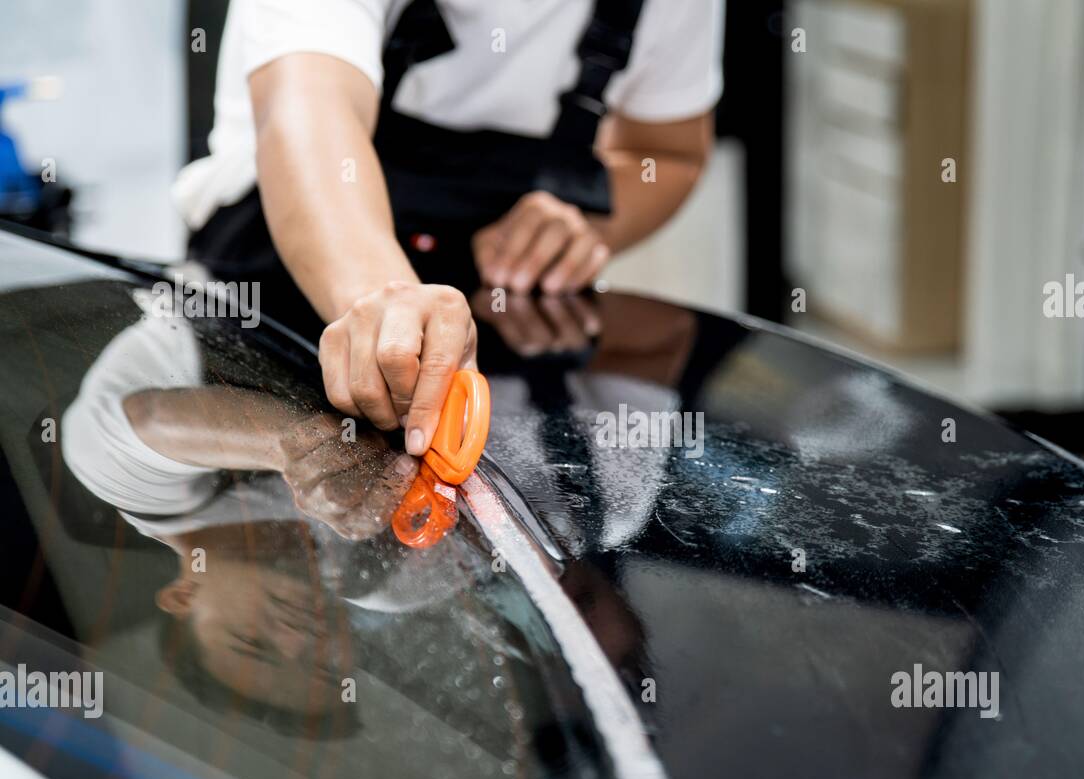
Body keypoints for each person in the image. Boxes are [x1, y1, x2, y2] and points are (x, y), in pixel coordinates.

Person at [174, 0, 723, 462]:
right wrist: (388, 307)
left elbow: (666, 152)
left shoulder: (609, 506)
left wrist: (590, 222)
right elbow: (309, 111)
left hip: (505, 316)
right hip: (255, 302)